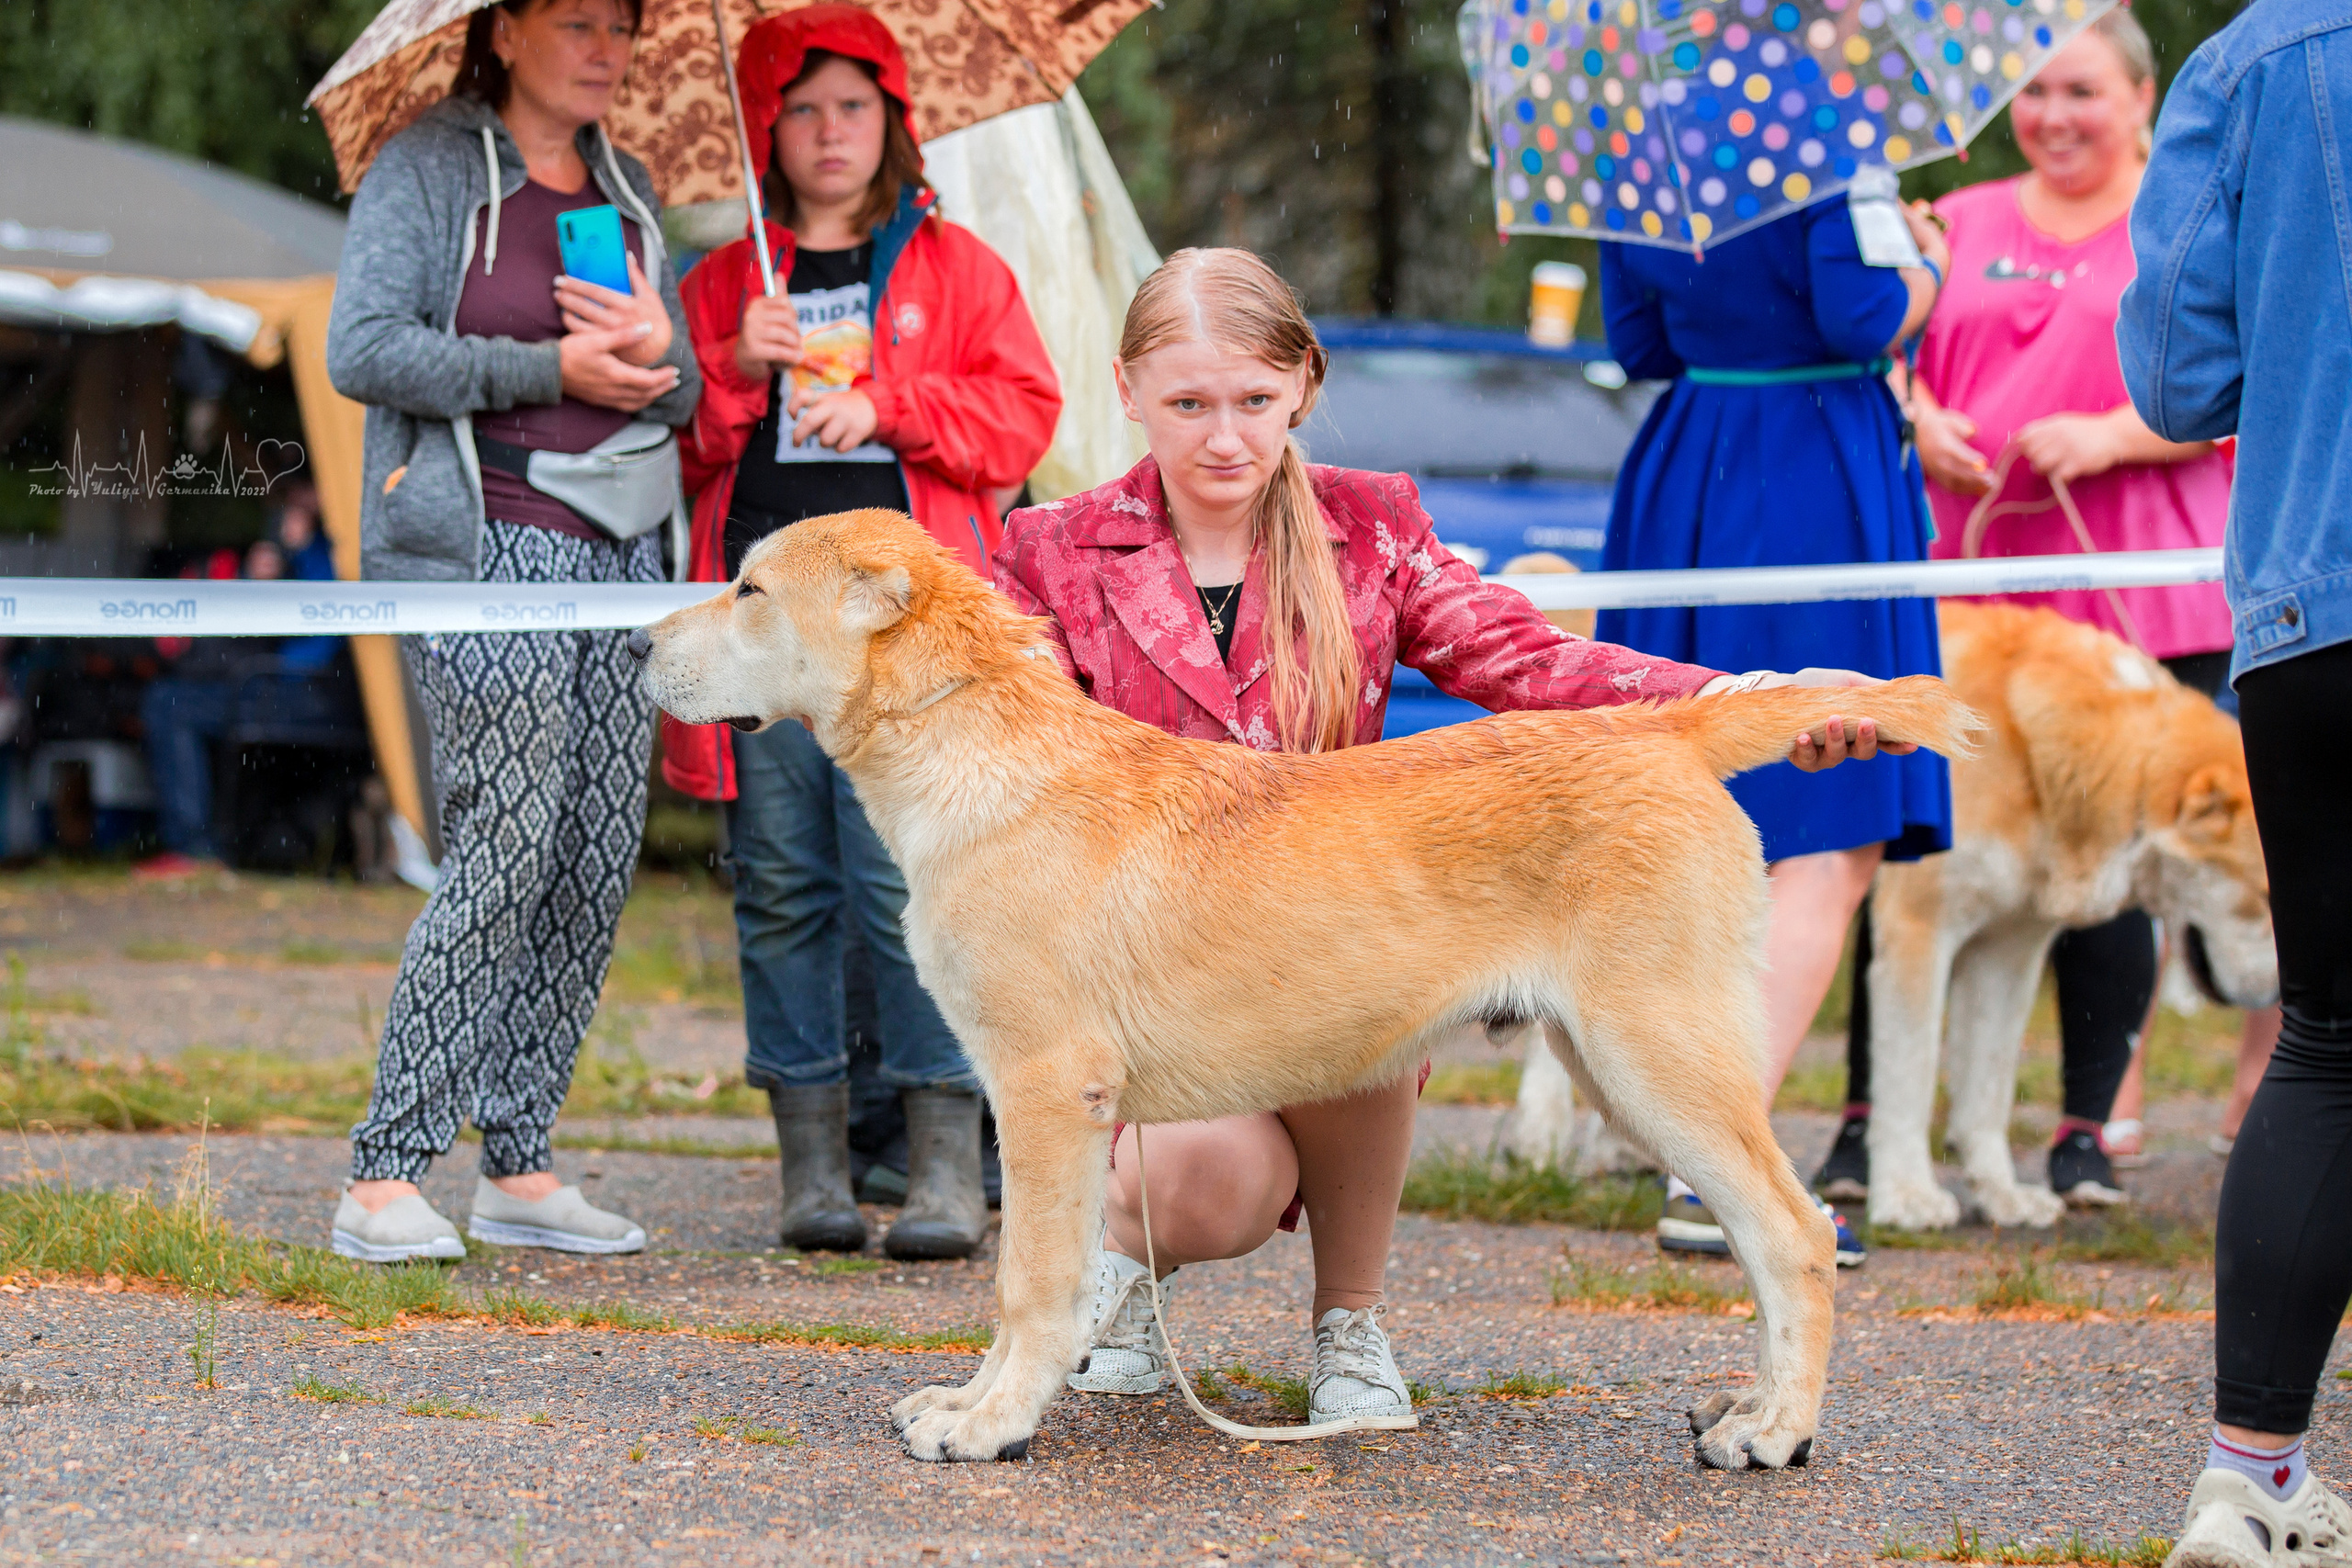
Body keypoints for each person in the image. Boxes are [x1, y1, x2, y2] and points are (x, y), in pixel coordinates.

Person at [995, 246, 1913, 1424]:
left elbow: (1527, 660)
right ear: (1126, 390)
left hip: (1345, 933)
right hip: (1158, 972)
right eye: (1187, 405)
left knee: (1384, 968)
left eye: (1255, 401)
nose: (1224, 438)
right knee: (1209, 1187)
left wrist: (1738, 700)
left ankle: (1350, 1325)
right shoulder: (1049, 549)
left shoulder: (1369, 525)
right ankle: (1128, 1276)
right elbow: (1012, 750)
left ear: (1304, 384)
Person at [1815, 10, 2267, 1209]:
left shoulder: (2192, 214)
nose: (2055, 117)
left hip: (2137, 581)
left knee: (2111, 869)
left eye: (2082, 92)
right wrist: (1917, 416)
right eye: (2034, 94)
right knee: (1917, 855)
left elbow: (2251, 371)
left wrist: (2117, 434)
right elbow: (1876, 346)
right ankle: (1867, 1129)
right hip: (1966, 586)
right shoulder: (1960, 219)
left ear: (2143, 96)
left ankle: (2081, 1131)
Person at [665, 6, 1060, 1261]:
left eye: (853, 107)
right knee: (783, 885)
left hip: (904, 648)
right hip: (766, 644)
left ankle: (944, 1162)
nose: (829, 132)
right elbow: (671, 448)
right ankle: (814, 1167)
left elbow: (1023, 418)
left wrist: (893, 406)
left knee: (911, 885)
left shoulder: (960, 270)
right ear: (765, 129)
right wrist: (732, 366)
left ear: (892, 119)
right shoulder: (724, 283)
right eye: (801, 110)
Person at [323, 0, 699, 1262]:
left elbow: (684, 395)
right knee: (507, 842)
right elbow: (363, 349)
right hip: (489, 547)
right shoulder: (427, 166)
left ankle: (520, 1163)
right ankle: (385, 1172)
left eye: (622, 27)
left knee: (593, 853)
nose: (607, 49)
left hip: (626, 553)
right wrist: (550, 371)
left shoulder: (626, 184)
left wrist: (659, 352)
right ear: (506, 30)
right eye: (578, 21)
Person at [1593, 186, 1954, 1266]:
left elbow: (1637, 342)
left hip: (1686, 472)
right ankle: (1713, 1165)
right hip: (1815, 475)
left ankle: (1680, 1131)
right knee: (1832, 831)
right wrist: (1928, 266)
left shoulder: (1636, 140)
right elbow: (1858, 316)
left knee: (1687, 796)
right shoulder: (1823, 141)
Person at [2120, 1, 2352, 1560]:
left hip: (2317, 608)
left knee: (2329, 1043)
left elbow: (2177, 373)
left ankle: (2249, 1473)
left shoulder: (2258, 58)